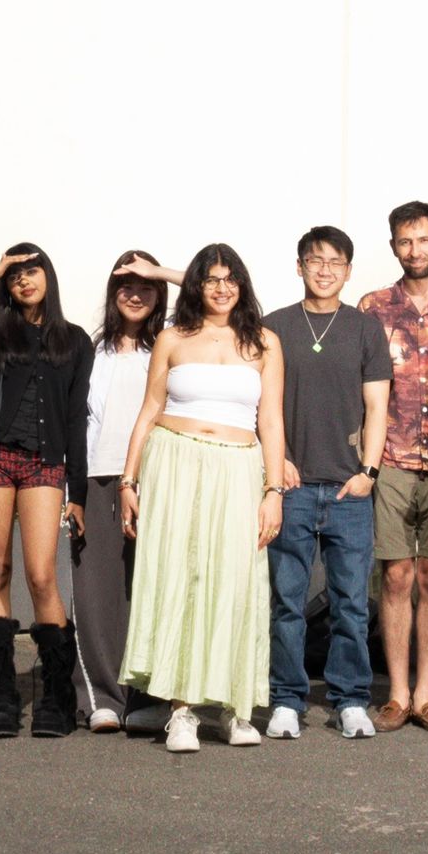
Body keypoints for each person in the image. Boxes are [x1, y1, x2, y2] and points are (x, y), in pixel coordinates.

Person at [118, 243, 286, 752]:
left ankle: (236, 709)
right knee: (179, 579)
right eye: (211, 278)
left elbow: (271, 421)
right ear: (196, 285)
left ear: (242, 284)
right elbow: (149, 410)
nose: (221, 287)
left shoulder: (265, 343)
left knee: (237, 582)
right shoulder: (171, 338)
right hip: (173, 462)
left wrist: (273, 490)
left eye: (230, 277)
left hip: (238, 467)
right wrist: (129, 482)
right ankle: (182, 710)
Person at [0, 246, 93, 739]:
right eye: (15, 276)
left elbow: (75, 418)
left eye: (31, 271)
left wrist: (79, 493)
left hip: (45, 465)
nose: (24, 281)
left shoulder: (73, 341)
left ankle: (56, 694)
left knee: (41, 575)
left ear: (48, 276)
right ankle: (4, 695)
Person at [262, 226, 392, 740]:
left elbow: (378, 406)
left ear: (348, 271)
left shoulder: (365, 329)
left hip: (348, 491)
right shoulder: (274, 327)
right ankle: (286, 700)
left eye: (335, 262)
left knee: (351, 604)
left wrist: (369, 474)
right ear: (299, 266)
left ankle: (351, 698)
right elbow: (260, 405)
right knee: (286, 603)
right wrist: (278, 466)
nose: (324, 270)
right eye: (314, 260)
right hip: (290, 486)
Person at [357, 200, 428, 732]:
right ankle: (397, 694)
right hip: (393, 460)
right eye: (405, 241)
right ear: (393, 247)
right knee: (396, 576)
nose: (415, 250)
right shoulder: (374, 307)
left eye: (424, 240)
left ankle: (427, 694)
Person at [72, 249, 183, 735]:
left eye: (146, 286)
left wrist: (159, 271)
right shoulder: (87, 351)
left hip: (155, 479)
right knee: (95, 592)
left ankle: (149, 697)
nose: (136, 294)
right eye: (126, 285)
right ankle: (101, 697)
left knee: (151, 590)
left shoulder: (173, 343)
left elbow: (214, 289)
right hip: (97, 479)